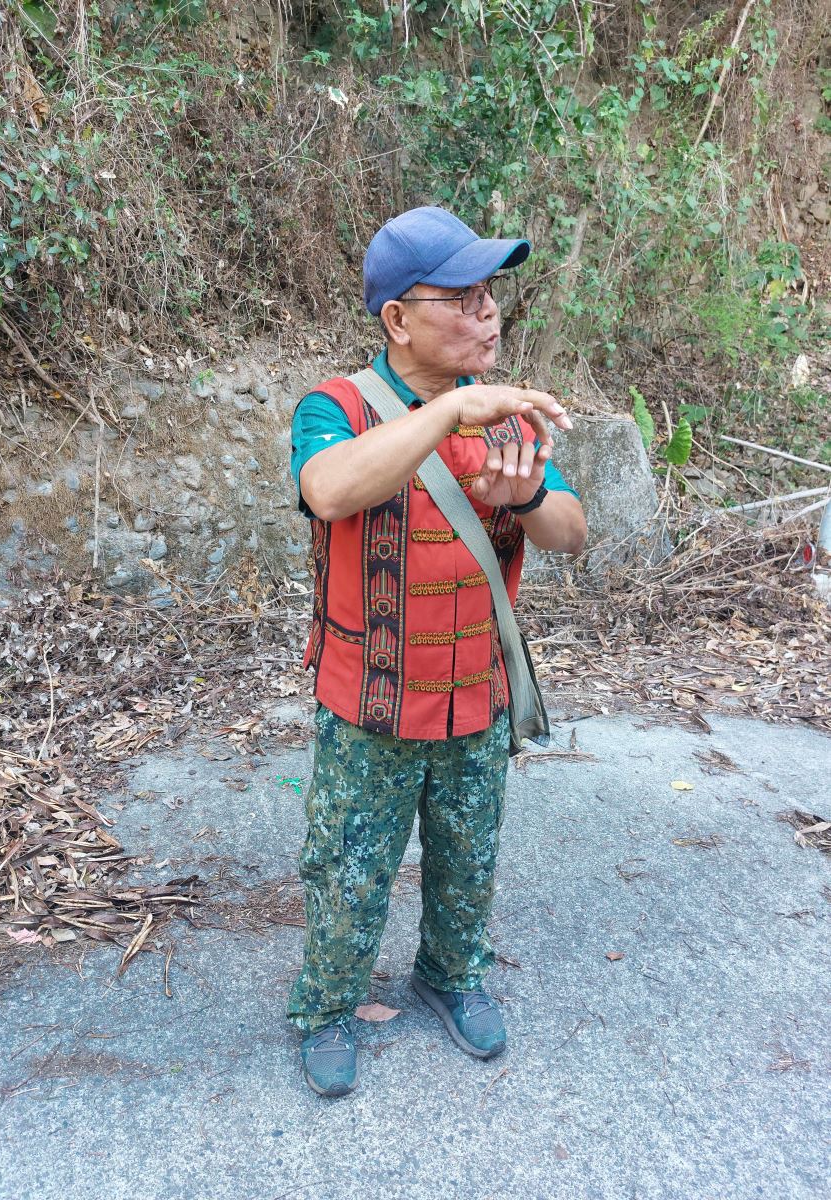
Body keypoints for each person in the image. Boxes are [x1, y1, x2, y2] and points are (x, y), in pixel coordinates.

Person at [287, 205, 586, 1097]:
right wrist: (450, 410)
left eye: (489, 295)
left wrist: (529, 497)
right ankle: (327, 1006)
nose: (487, 313)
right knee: (348, 862)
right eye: (459, 298)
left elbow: (572, 532)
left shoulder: (510, 417)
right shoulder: (334, 407)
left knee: (468, 857)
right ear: (398, 319)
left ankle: (451, 976)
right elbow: (331, 488)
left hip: (475, 696)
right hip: (367, 701)